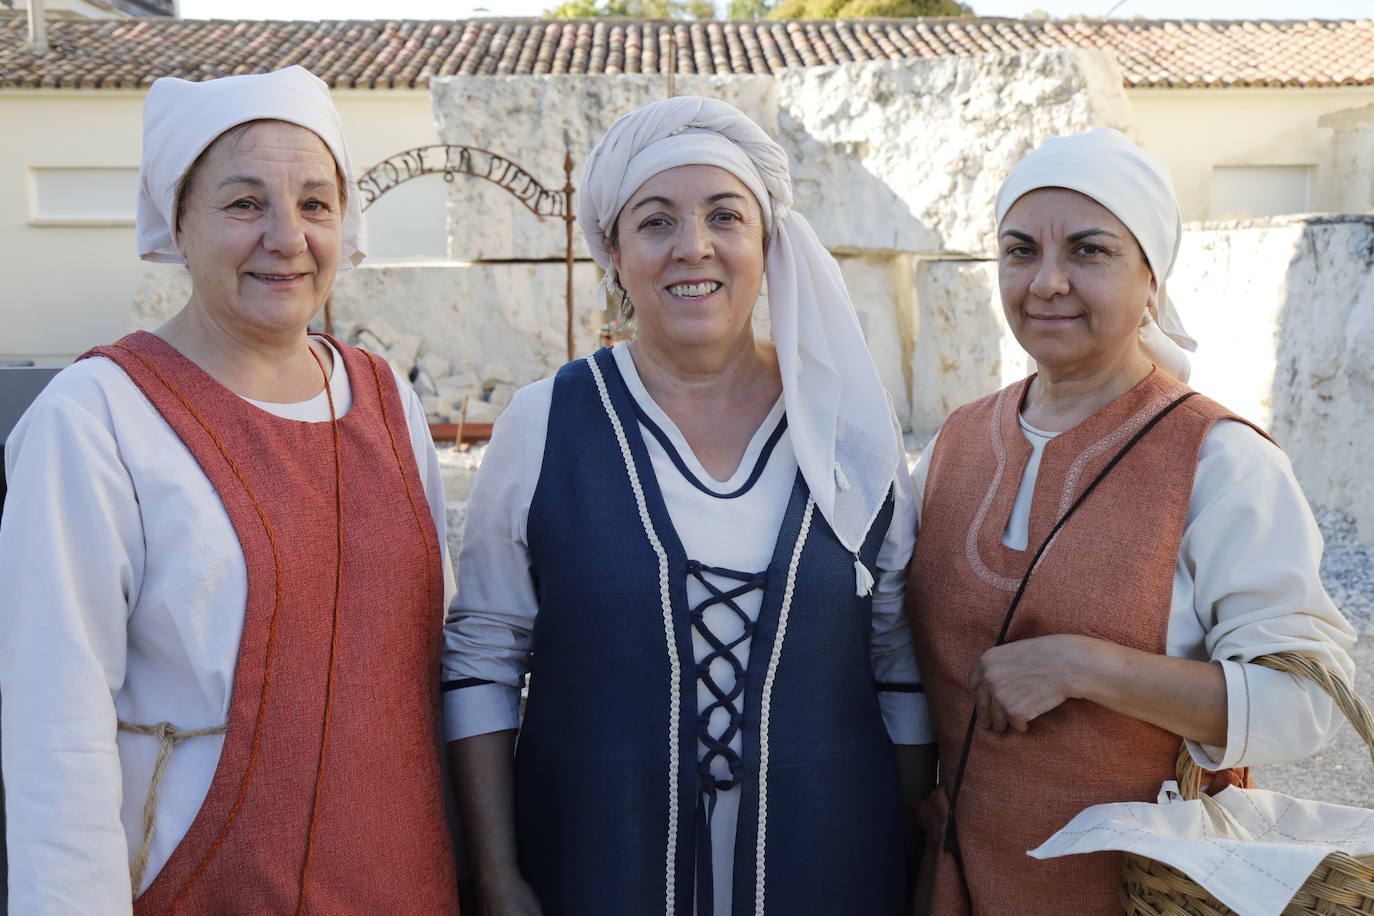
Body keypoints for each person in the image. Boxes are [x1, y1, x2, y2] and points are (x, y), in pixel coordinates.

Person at [442, 96, 934, 916]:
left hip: (832, 868)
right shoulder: (547, 422)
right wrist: (498, 877)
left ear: (767, 241)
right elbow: (485, 658)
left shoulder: (846, 425)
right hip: (595, 866)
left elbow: (897, 659)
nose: (693, 247)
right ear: (613, 250)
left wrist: (913, 871)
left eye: (724, 216)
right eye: (657, 221)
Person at [0, 66, 459, 913]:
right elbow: (54, 737)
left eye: (316, 204)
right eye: (245, 204)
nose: (287, 237)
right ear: (177, 220)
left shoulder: (388, 397)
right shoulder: (96, 418)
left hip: (406, 885)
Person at [905, 127, 1357, 915]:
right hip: (959, 881)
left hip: (1133, 895)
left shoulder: (1220, 461)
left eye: (1088, 251)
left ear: (1152, 279)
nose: (1046, 282)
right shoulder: (954, 441)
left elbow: (1305, 706)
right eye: (1019, 251)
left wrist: (1089, 667)